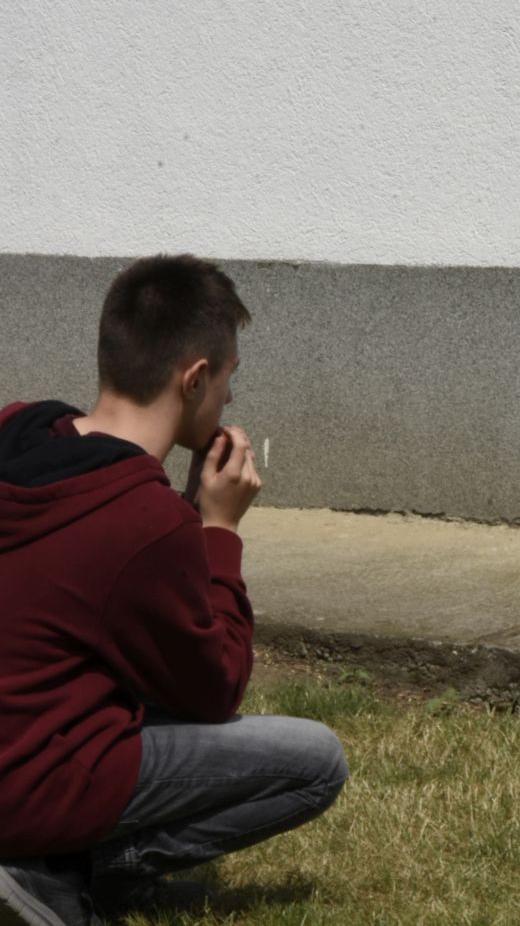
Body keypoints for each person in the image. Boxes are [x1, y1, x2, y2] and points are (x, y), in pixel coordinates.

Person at [0, 256, 347, 926]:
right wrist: (218, 530)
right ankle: (60, 876)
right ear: (194, 379)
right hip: (29, 788)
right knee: (315, 761)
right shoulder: (142, 518)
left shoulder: (18, 429)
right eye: (228, 378)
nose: (229, 400)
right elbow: (212, 688)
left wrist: (180, 519)